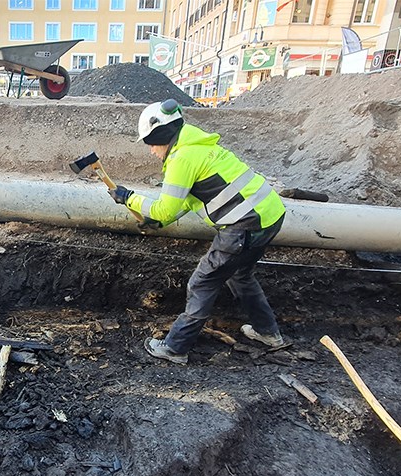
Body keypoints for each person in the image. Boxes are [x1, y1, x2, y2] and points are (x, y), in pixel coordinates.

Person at [109, 99, 286, 365]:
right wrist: (160, 221)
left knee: (202, 282)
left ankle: (175, 347)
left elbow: (164, 210)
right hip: (270, 216)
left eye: (150, 143)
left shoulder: (182, 159)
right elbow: (195, 199)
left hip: (243, 225)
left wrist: (129, 198)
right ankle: (269, 333)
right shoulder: (198, 147)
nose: (151, 150)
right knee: (241, 275)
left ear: (162, 135)